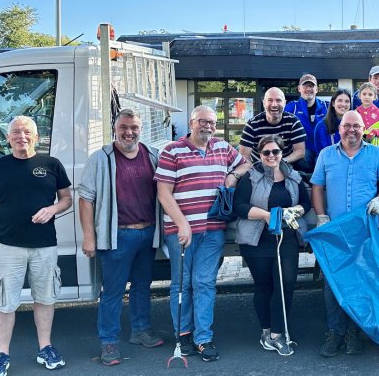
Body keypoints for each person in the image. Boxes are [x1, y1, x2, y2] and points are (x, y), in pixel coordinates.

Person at [0, 116, 73, 376]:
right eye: (15, 132)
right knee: (5, 302)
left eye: (27, 132)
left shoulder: (51, 164)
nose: (22, 136)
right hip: (8, 246)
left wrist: (52, 209)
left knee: (46, 298)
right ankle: (2, 353)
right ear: (8, 138)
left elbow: (66, 200)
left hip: (45, 246)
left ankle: (45, 347)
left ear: (36, 137)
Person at [155, 105, 248, 362]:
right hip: (180, 232)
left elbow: (246, 163)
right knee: (182, 283)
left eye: (211, 122)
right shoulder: (172, 151)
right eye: (202, 121)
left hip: (213, 230)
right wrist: (182, 223)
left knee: (204, 283)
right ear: (191, 122)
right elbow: (163, 193)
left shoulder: (222, 147)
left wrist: (231, 175)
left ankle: (203, 338)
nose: (207, 126)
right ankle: (183, 333)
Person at [78, 109, 165, 366]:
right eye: (124, 127)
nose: (129, 132)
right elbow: (86, 199)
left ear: (141, 129)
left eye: (134, 127)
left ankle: (140, 331)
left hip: (147, 233)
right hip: (117, 236)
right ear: (115, 129)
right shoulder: (100, 158)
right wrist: (89, 237)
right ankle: (108, 342)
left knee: (142, 287)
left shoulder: (152, 155)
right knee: (113, 291)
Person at [310, 110, 379, 357]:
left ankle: (354, 332)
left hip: (364, 230)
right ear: (340, 129)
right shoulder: (326, 155)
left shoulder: (376, 154)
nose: (352, 130)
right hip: (335, 231)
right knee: (332, 283)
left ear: (363, 129)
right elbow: (317, 186)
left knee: (361, 281)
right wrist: (321, 216)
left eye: (357, 126)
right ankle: (335, 332)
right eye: (347, 126)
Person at [233, 134, 311, 356]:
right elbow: (239, 206)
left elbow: (305, 203)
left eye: (275, 151)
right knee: (264, 286)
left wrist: (294, 211)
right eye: (266, 152)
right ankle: (266, 331)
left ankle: (278, 333)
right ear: (260, 154)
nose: (271, 156)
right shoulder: (250, 176)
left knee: (285, 285)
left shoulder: (293, 175)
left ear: (282, 152)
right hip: (257, 240)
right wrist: (267, 215)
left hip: (286, 238)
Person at [240, 87, 307, 166]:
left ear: (284, 103)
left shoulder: (293, 121)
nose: (274, 104)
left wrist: (279, 163)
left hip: (285, 164)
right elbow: (244, 156)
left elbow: (300, 151)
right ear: (264, 103)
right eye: (270, 100)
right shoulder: (252, 124)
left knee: (304, 164)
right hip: (259, 166)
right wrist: (256, 170)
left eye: (278, 100)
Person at [284, 74, 329, 172]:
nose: (308, 89)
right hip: (303, 156)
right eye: (305, 86)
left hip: (323, 153)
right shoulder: (292, 108)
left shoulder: (327, 107)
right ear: (299, 88)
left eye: (311, 86)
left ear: (317, 89)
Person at [355, 82, 379, 147]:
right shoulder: (355, 113)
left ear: (375, 97)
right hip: (358, 146)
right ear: (359, 96)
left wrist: (375, 131)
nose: (367, 97)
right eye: (364, 94)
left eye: (370, 94)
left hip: (375, 146)